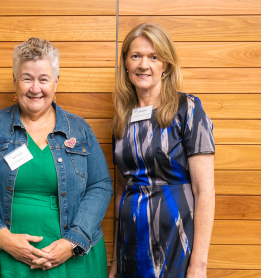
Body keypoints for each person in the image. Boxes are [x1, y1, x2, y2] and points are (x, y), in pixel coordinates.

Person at [0, 37, 113, 277]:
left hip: (69, 259)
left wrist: (72, 242)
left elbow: (100, 186)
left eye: (44, 79)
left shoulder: (80, 130)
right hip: (0, 254)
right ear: (15, 81)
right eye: (27, 78)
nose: (35, 88)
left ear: (56, 82)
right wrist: (3, 238)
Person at [108, 23, 215, 278]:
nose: (144, 65)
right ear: (125, 63)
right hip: (132, 242)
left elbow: (205, 191)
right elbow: (122, 190)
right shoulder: (122, 117)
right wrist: (115, 262)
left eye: (153, 57)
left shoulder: (187, 109)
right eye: (136, 56)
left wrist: (199, 265)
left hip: (177, 240)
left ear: (165, 64)